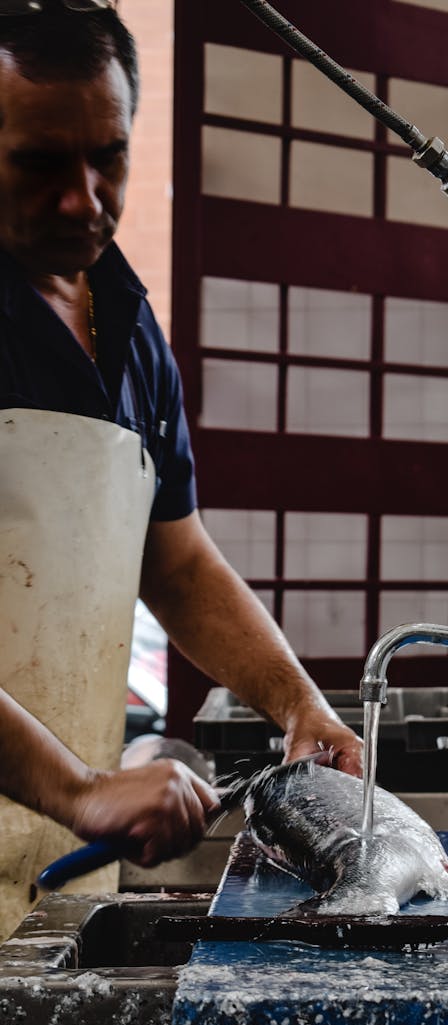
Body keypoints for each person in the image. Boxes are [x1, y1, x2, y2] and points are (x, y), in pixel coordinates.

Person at [0, 0, 362, 943]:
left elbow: (178, 563)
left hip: (52, 835)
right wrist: (80, 789)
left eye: (107, 156)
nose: (84, 198)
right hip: (65, 794)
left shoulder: (123, 318)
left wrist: (296, 700)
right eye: (38, 162)